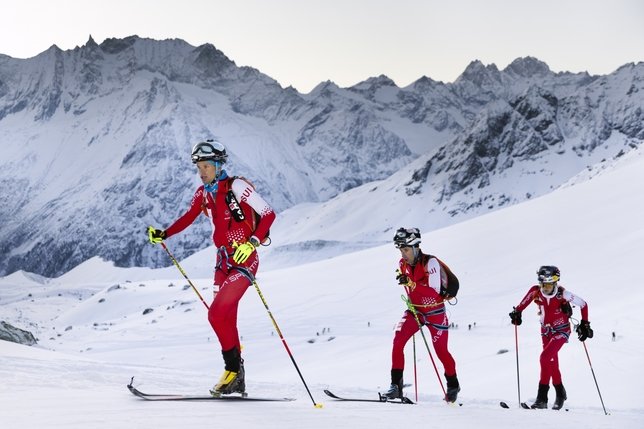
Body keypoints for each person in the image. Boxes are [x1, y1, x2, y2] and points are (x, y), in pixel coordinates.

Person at [147, 139, 275, 396]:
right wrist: (164, 233)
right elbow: (188, 217)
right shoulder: (202, 193)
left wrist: (251, 243)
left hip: (244, 260)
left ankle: (233, 370)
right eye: (199, 167)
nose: (202, 171)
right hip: (222, 262)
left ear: (218, 165)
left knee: (216, 314)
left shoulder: (236, 186)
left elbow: (269, 213)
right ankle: (236, 376)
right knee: (225, 318)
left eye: (206, 166)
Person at [384, 227, 460, 402]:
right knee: (398, 339)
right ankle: (396, 387)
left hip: (435, 312)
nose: (403, 254)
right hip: (415, 310)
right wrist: (409, 285)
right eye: (401, 250)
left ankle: (453, 384)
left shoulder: (430, 263)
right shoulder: (402, 264)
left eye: (406, 250)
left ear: (415, 247)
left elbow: (434, 293)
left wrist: (411, 284)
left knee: (441, 352)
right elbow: (412, 288)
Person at [509, 266, 593, 410]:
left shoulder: (563, 294)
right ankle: (560, 393)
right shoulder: (535, 291)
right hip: (546, 331)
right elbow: (524, 303)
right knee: (551, 362)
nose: (545, 288)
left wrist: (585, 324)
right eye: (543, 284)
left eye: (549, 284)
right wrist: (517, 312)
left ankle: (542, 399)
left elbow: (583, 304)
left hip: (561, 331)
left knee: (545, 358)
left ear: (555, 283)